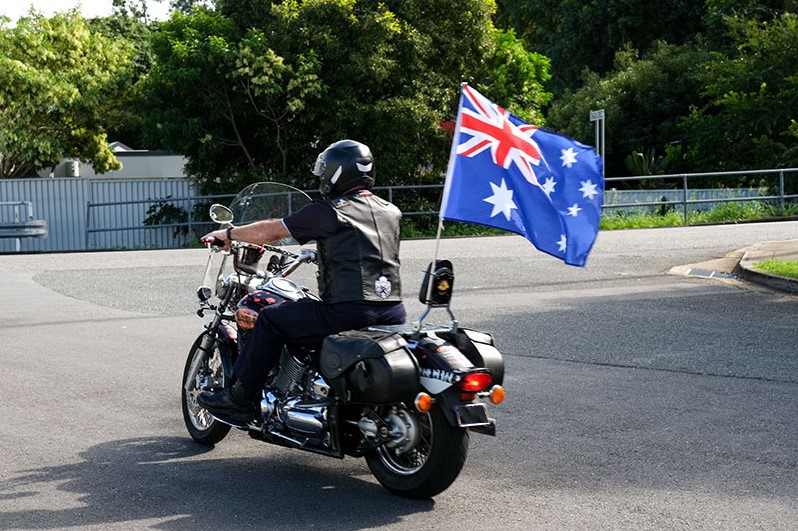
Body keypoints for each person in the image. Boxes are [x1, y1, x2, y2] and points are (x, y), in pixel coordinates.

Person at [197, 139, 406, 423]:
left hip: (345, 313)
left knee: (270, 319)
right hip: (393, 312)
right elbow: (364, 252)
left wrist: (229, 235)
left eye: (325, 171)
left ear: (336, 173)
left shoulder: (330, 210)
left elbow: (271, 231)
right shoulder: (390, 211)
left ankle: (241, 399)